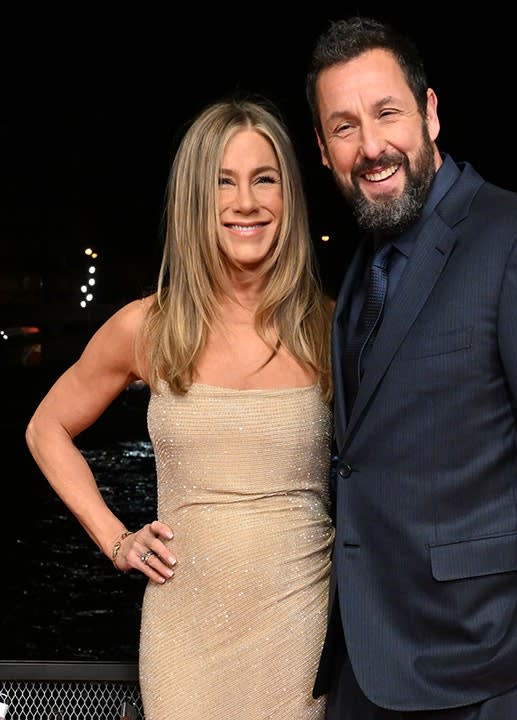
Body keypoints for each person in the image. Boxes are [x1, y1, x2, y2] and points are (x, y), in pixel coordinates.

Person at [304, 15, 517, 720]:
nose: (371, 146)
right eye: (344, 127)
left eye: (387, 113)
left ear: (429, 112)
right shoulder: (362, 269)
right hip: (369, 675)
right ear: (323, 149)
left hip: (496, 679)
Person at [25, 97, 335, 720]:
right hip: (185, 637)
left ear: (288, 198)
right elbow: (46, 428)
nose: (245, 201)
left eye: (263, 179)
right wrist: (116, 540)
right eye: (222, 181)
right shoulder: (149, 327)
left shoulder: (329, 327)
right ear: (195, 200)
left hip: (302, 629)